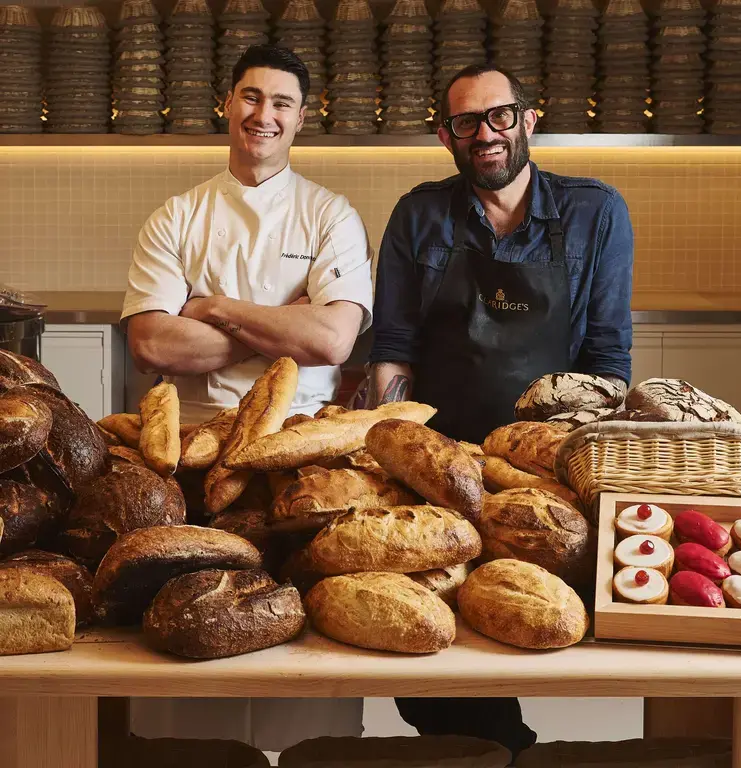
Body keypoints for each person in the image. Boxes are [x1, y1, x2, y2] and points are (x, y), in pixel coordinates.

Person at [369, 64, 634, 761]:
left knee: (540, 622)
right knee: (437, 657)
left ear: (529, 119)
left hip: (548, 473)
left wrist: (580, 469)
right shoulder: (419, 215)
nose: (486, 134)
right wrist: (399, 448)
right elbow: (394, 347)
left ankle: (509, 749)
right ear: (445, 136)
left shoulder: (595, 212)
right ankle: (501, 749)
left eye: (500, 116)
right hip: (443, 465)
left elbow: (608, 358)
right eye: (467, 123)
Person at [121, 44, 372, 751]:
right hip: (194, 457)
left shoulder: (330, 215)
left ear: (301, 119)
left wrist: (213, 309)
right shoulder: (178, 215)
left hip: (304, 453)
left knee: (307, 642)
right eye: (252, 98)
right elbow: (152, 345)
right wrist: (281, 325)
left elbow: (332, 342)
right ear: (227, 104)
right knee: (191, 633)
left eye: (282, 104)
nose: (264, 115)